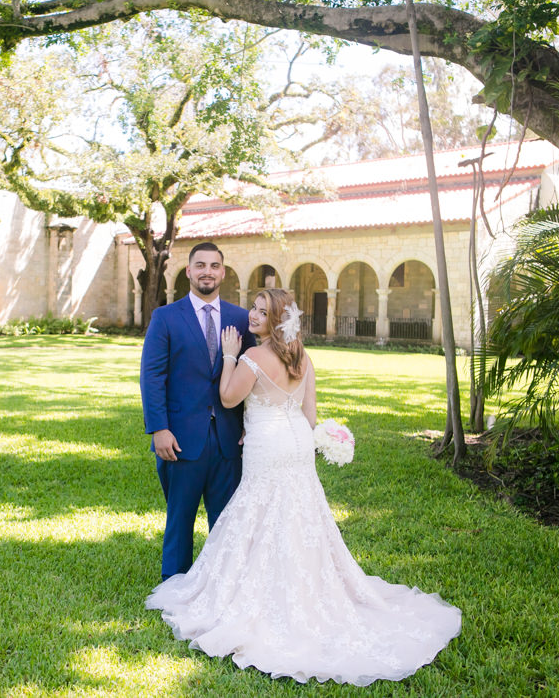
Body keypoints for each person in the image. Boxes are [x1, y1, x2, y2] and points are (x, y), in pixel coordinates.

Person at [146, 288, 462, 685]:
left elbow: (228, 398)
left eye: (262, 312)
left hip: (267, 444)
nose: (252, 316)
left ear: (277, 319)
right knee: (300, 511)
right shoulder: (301, 355)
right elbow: (309, 412)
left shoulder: (252, 356)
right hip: (296, 441)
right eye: (254, 308)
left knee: (259, 508)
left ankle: (260, 591)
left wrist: (229, 356)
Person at [140, 242, 256, 581]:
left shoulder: (240, 319)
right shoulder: (165, 317)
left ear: (223, 272)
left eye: (214, 265)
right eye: (200, 265)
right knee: (180, 519)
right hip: (179, 439)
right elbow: (152, 376)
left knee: (226, 521)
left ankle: (223, 585)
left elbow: (252, 375)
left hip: (229, 439)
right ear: (188, 271)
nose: (208, 271)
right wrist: (159, 428)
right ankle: (173, 586)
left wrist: (250, 424)